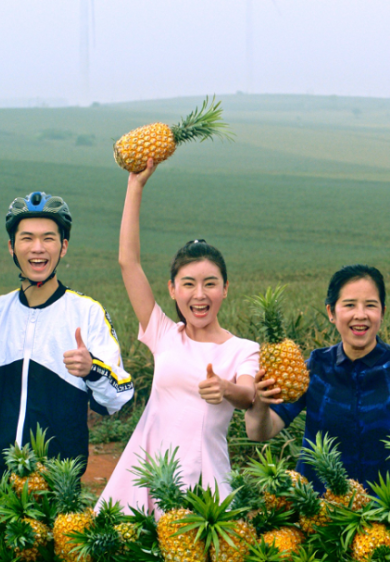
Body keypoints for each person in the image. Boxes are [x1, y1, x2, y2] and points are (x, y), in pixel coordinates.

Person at [0, 191, 133, 483]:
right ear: (11, 246)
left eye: (48, 238)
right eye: (27, 238)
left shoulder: (87, 313)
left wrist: (91, 368)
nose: (38, 248)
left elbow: (114, 401)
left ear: (64, 246)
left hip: (56, 481)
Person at [99, 159, 259, 509]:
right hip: (144, 474)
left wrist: (226, 388)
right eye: (188, 284)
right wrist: (135, 186)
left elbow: (247, 396)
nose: (199, 295)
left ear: (225, 289)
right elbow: (129, 262)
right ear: (172, 290)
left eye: (210, 284)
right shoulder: (164, 334)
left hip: (205, 480)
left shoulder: (243, 350)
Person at [244, 264, 390, 492]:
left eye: (370, 305)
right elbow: (260, 432)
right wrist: (261, 401)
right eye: (350, 305)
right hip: (321, 513)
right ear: (331, 312)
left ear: (382, 312)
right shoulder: (317, 366)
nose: (360, 315)